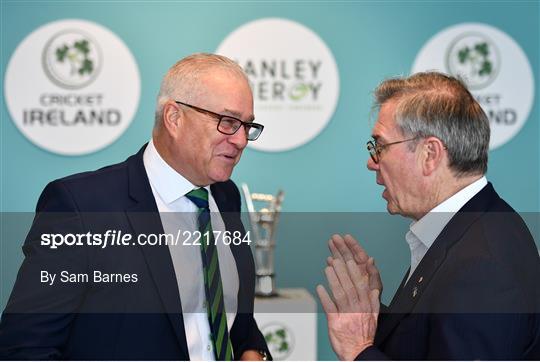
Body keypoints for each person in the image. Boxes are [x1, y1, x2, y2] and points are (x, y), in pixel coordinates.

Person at [0, 53, 271, 360]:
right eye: (228, 122)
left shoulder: (226, 196)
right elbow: (24, 348)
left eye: (246, 126)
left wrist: (252, 350)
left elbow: (228, 314)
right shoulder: (82, 208)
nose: (240, 140)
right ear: (174, 118)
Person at [317, 72, 540, 360]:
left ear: (430, 154)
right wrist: (375, 318)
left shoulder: (480, 267)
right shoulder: (469, 227)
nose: (372, 163)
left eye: (380, 146)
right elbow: (431, 341)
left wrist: (358, 351)